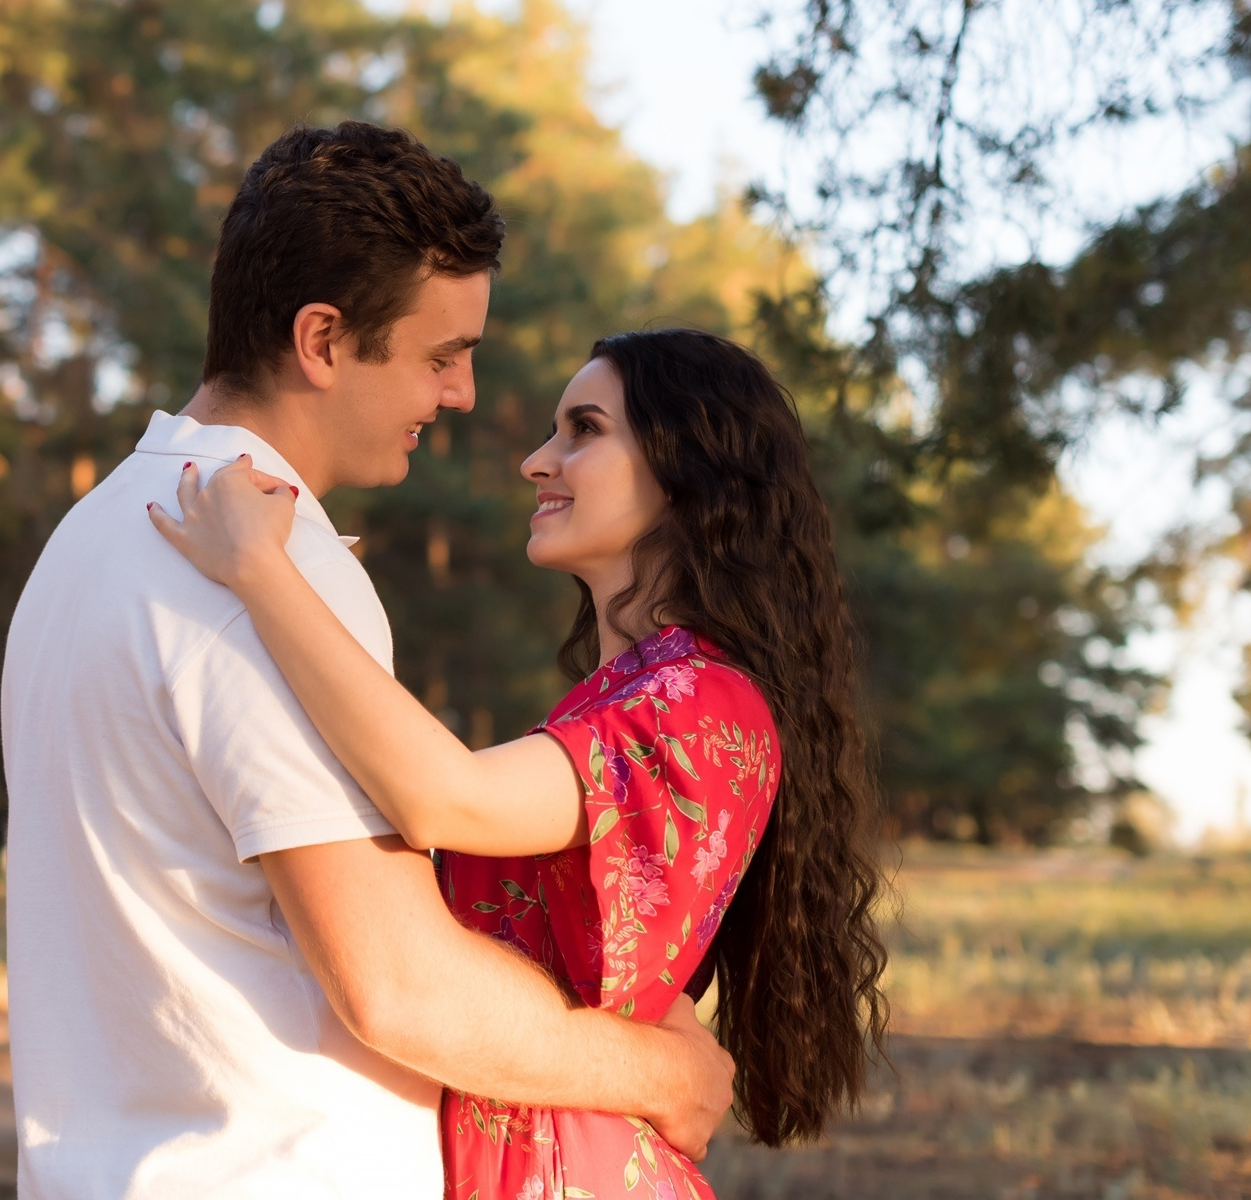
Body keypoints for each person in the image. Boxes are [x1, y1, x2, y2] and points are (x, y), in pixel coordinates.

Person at [1, 124, 737, 1200]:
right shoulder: (261, 557)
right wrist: (659, 1071)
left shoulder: (92, 534)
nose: (463, 397)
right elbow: (396, 985)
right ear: (323, 341)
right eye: (441, 356)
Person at [150, 326, 892, 1199]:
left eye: (583, 429)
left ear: (687, 464)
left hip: (568, 1166)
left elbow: (439, 795)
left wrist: (263, 570)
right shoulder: (632, 696)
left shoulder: (702, 701)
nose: (537, 461)